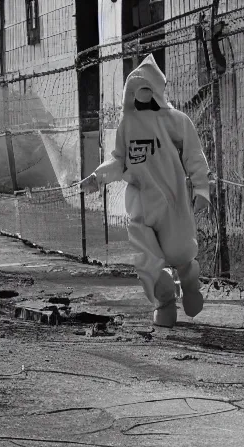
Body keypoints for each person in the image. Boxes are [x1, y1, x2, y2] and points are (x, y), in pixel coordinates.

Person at [80, 54, 211, 328]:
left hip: (173, 201)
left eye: (146, 89)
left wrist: (201, 188)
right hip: (140, 202)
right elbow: (119, 159)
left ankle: (190, 285)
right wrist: (98, 177)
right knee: (146, 260)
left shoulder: (176, 121)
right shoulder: (127, 125)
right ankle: (164, 302)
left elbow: (194, 155)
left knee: (181, 253)